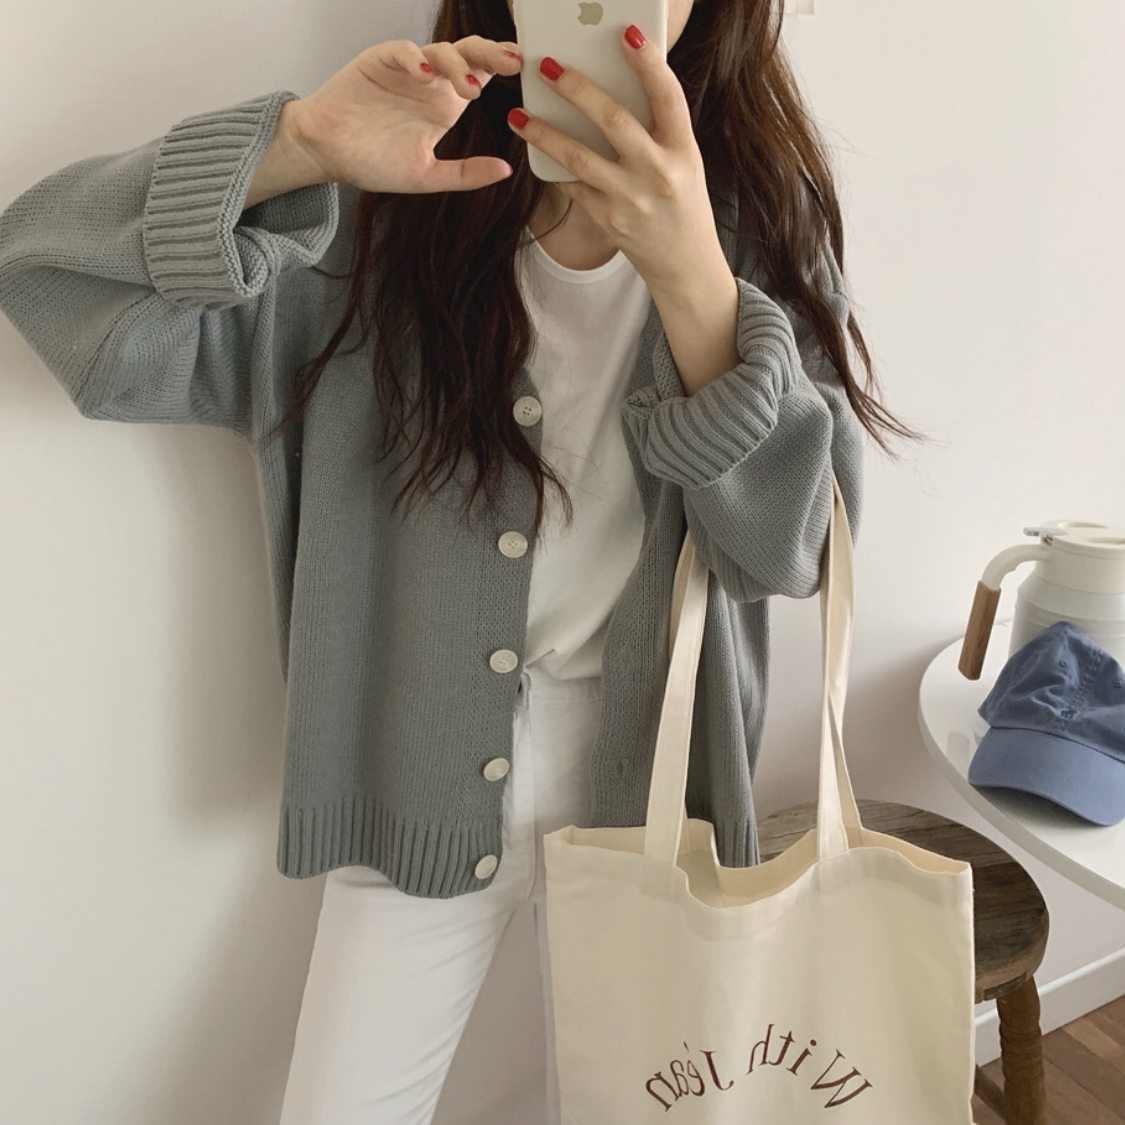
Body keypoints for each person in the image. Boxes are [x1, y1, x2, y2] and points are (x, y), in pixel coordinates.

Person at [0, 1, 921, 1122]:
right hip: (414, 775)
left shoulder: (756, 215)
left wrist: (697, 286)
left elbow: (797, 553)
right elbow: (43, 275)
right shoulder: (382, 205)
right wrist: (295, 147)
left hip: (655, 798)